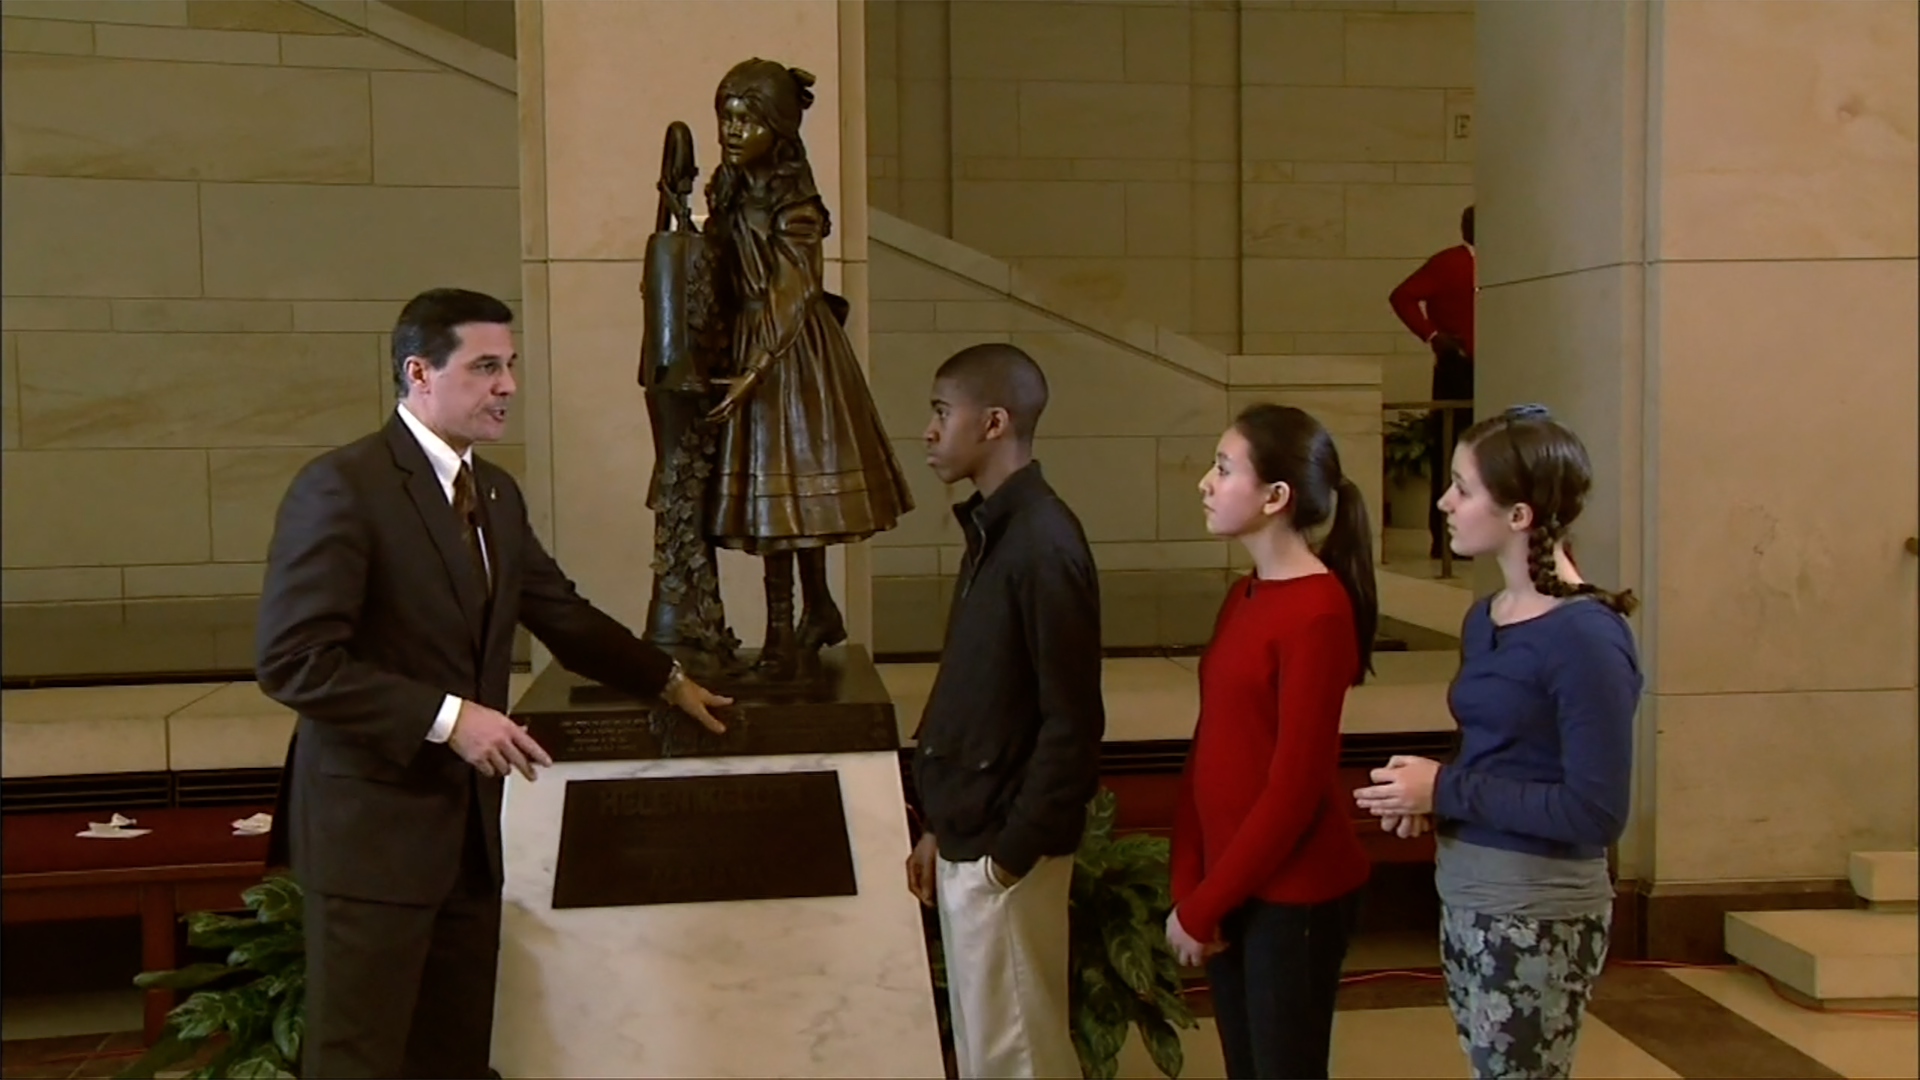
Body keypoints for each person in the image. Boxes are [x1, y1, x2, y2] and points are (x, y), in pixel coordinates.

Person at [256, 287, 732, 1078]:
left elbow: (562, 615)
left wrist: (669, 680)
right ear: (420, 373)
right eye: (485, 367)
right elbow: (294, 659)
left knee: (453, 1056)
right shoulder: (343, 486)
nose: (508, 385)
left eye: (509, 366)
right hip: (371, 838)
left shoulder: (496, 494)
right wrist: (450, 719)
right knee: (359, 1060)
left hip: (469, 841)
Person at [1353, 404, 1641, 1080]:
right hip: (1468, 888)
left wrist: (1446, 787)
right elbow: (1507, 758)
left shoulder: (1585, 638)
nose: (1446, 502)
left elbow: (1595, 811)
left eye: (1464, 487)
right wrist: (1429, 799)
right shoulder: (1488, 618)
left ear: (1520, 516)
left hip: (1537, 904)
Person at [904, 343, 1105, 1080]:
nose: (928, 431)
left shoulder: (1045, 543)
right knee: (993, 1055)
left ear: (993, 423)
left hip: (1006, 856)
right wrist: (942, 824)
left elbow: (1073, 721)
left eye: (939, 413)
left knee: (1020, 1059)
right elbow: (975, 692)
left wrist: (1009, 853)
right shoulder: (996, 531)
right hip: (973, 836)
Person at [1166, 403, 1379, 1080]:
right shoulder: (1245, 594)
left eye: (1224, 469)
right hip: (1234, 886)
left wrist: (1204, 905)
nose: (1205, 481)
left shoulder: (1318, 611)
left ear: (1275, 497)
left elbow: (1293, 791)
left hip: (1294, 894)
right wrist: (1191, 885)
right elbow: (1210, 749)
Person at [700, 58, 914, 675]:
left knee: (784, 501)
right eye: (726, 117)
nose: (733, 130)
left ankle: (781, 638)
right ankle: (814, 611)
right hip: (750, 347)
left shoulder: (797, 206)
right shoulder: (732, 189)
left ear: (779, 127)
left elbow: (794, 290)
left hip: (791, 358)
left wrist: (756, 366)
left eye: (747, 119)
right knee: (787, 501)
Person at [1388, 204, 1477, 560]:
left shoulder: (1510, 262)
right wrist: (1432, 334)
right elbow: (1402, 295)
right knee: (1453, 449)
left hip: (1499, 365)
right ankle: (1445, 539)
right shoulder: (1449, 262)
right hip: (1460, 367)